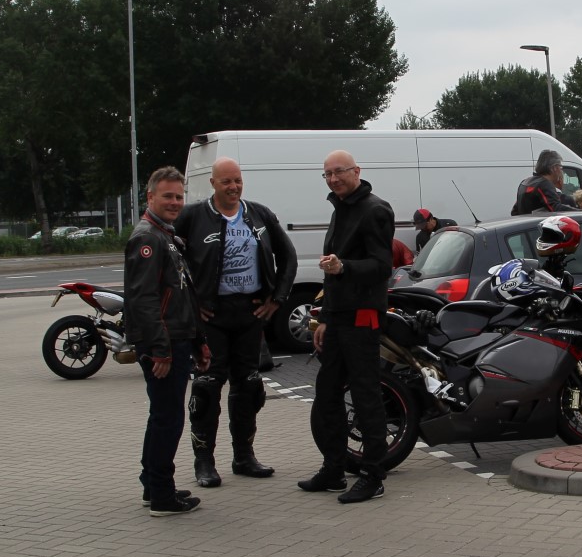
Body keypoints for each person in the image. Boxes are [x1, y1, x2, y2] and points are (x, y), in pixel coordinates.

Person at [175, 156, 296, 488]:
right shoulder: (193, 217)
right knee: (207, 387)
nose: (233, 187)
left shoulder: (259, 214)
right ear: (213, 183)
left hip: (249, 313)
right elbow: (170, 259)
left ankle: (244, 456)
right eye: (226, 181)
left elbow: (288, 256)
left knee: (249, 386)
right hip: (211, 317)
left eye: (238, 180)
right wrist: (191, 304)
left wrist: (277, 298)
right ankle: (204, 461)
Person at [304, 150, 395, 503]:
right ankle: (334, 469)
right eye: (327, 174)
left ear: (356, 171)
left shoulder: (375, 210)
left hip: (362, 316)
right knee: (327, 393)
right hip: (339, 317)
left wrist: (344, 267)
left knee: (365, 394)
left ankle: (373, 475)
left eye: (339, 172)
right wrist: (325, 317)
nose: (333, 179)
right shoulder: (339, 208)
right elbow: (332, 273)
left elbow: (381, 266)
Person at [124, 167, 210, 516]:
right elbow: (143, 299)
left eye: (179, 196)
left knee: (163, 415)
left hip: (176, 339)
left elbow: (182, 295)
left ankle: (154, 485)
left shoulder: (165, 235)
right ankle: (162, 495)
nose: (175, 202)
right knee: (168, 418)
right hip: (164, 344)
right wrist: (161, 349)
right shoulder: (148, 238)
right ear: (150, 197)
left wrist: (198, 340)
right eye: (168, 196)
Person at [511, 149, 573, 214]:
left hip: (526, 220)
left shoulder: (524, 182)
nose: (561, 171)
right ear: (554, 168)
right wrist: (579, 212)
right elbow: (555, 208)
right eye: (560, 167)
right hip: (539, 221)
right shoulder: (544, 184)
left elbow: (514, 212)